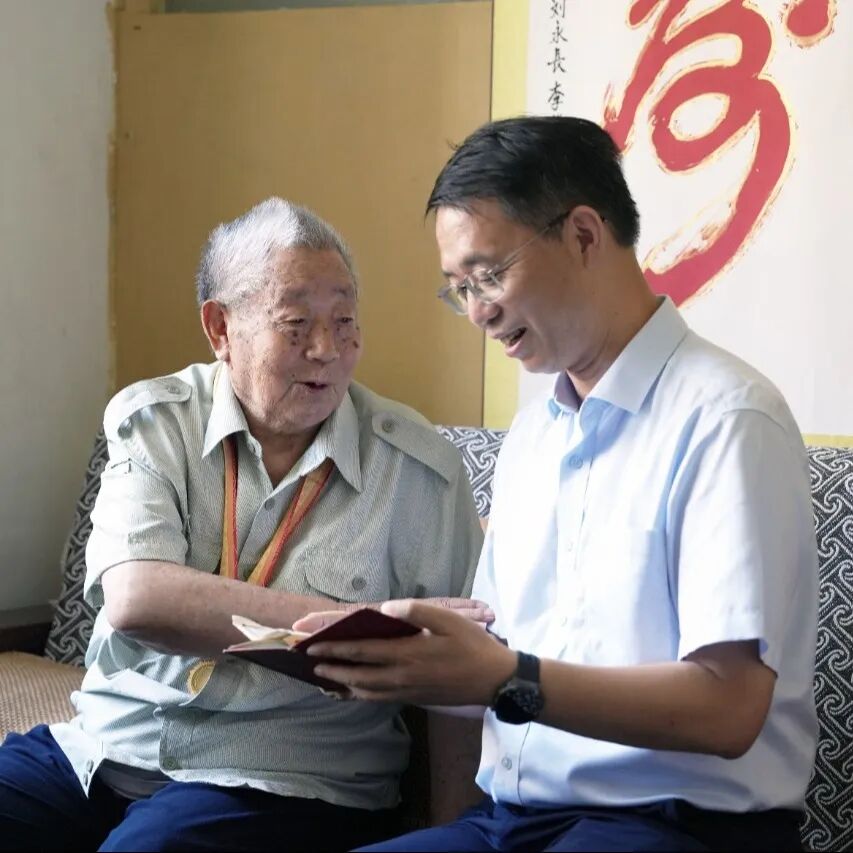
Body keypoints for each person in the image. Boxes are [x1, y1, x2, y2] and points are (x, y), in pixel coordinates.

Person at [294, 117, 819, 852]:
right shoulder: (536, 432)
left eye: (487, 275)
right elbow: (497, 653)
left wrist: (505, 677)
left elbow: (728, 709)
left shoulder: (726, 418)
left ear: (582, 235)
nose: (477, 311)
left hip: (676, 826)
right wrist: (403, 653)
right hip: (513, 821)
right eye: (458, 289)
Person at [0, 198, 487, 851]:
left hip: (285, 777)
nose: (326, 349)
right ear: (220, 327)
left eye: (344, 321)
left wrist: (452, 832)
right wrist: (359, 624)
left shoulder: (420, 471)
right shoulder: (156, 422)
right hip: (108, 749)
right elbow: (139, 600)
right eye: (295, 324)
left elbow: (460, 683)